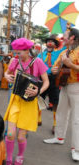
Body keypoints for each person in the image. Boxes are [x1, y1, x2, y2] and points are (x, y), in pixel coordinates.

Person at [4, 38, 49, 165]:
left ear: (27, 50)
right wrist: (7, 76)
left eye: (19, 53)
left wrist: (37, 92)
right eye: (15, 52)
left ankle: (20, 155)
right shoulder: (14, 61)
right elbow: (6, 73)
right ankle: (8, 158)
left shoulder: (37, 62)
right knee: (10, 134)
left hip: (29, 103)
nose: (16, 55)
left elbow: (46, 82)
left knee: (21, 137)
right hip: (15, 100)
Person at [43, 28, 79, 161]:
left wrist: (71, 65)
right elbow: (55, 67)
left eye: (65, 36)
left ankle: (76, 149)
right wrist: (54, 69)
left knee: (77, 119)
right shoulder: (64, 51)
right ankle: (59, 137)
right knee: (61, 113)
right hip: (64, 86)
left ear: (73, 37)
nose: (63, 38)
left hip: (77, 86)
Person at [37, 35, 66, 132]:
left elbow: (66, 47)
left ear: (55, 45)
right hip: (42, 79)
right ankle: (38, 119)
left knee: (55, 102)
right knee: (39, 99)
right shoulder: (40, 55)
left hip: (54, 80)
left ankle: (55, 124)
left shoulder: (58, 54)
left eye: (52, 41)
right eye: (48, 41)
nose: (50, 43)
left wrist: (66, 34)